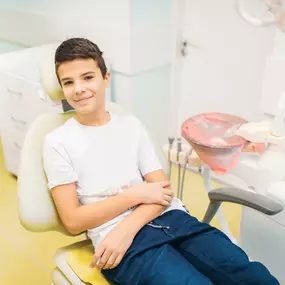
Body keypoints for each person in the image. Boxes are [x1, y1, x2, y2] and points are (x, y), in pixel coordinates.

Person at [43, 37, 279, 285]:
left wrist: (128, 225)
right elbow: (73, 221)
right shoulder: (57, 142)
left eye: (87, 77)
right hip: (120, 246)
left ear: (106, 78)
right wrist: (137, 196)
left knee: (254, 277)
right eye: (68, 82)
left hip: (173, 220)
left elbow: (163, 192)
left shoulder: (131, 126)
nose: (79, 88)